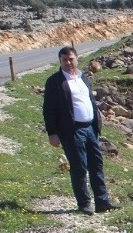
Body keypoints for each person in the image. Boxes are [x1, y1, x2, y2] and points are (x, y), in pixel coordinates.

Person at [42, 46, 120, 215]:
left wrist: (97, 121)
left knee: (96, 164)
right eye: (64, 60)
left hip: (90, 128)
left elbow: (90, 100)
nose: (68, 63)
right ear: (60, 62)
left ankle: (102, 201)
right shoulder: (55, 81)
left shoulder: (83, 77)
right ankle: (84, 203)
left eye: (71, 59)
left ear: (77, 59)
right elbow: (49, 109)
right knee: (79, 166)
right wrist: (52, 133)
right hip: (72, 130)